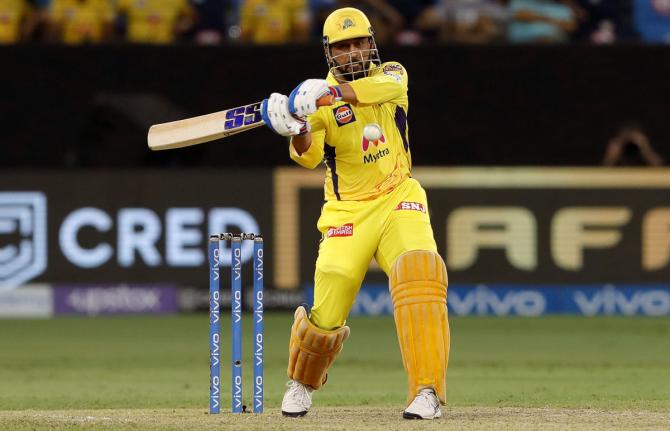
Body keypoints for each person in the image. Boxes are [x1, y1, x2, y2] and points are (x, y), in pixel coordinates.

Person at [260, 7, 450, 420]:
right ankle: (302, 383)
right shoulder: (317, 101)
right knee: (333, 288)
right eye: (343, 46)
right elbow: (307, 159)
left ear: (371, 43)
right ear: (330, 52)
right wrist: (297, 124)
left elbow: (378, 90)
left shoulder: (393, 74)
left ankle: (428, 391)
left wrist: (326, 95)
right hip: (348, 209)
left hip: (400, 196)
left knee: (420, 271)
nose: (352, 52)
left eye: (359, 43)